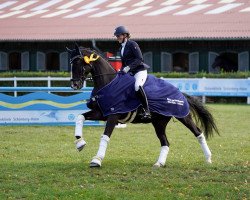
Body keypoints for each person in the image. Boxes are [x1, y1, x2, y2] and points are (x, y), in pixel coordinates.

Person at [114, 25, 151, 120]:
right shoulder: (121, 48)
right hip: (130, 72)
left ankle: (147, 110)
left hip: (139, 71)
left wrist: (128, 68)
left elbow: (139, 59)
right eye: (117, 36)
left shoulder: (132, 44)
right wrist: (121, 71)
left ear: (125, 35)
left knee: (137, 86)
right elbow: (124, 63)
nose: (117, 38)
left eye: (119, 36)